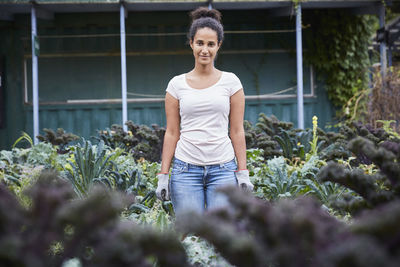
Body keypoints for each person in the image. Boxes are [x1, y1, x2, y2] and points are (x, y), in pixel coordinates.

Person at [156, 6, 253, 216]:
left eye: (211, 44)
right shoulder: (176, 85)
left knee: (221, 232)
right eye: (200, 43)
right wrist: (163, 174)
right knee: (190, 235)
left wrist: (243, 172)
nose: (204, 50)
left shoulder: (232, 82)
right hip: (185, 171)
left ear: (218, 45)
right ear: (191, 43)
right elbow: (172, 132)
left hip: (223, 170)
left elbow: (236, 130)